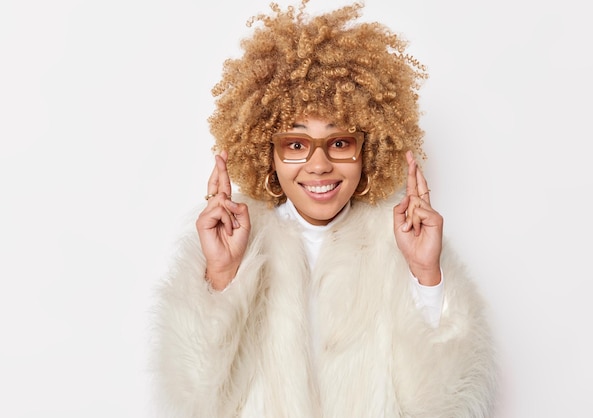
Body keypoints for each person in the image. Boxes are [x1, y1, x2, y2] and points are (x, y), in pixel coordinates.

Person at [151, 1, 497, 416]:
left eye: (339, 142)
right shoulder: (240, 247)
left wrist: (425, 275)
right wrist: (223, 275)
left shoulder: (396, 247)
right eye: (296, 144)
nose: (319, 164)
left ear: (366, 149)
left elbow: (443, 404)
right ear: (267, 153)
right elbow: (195, 402)